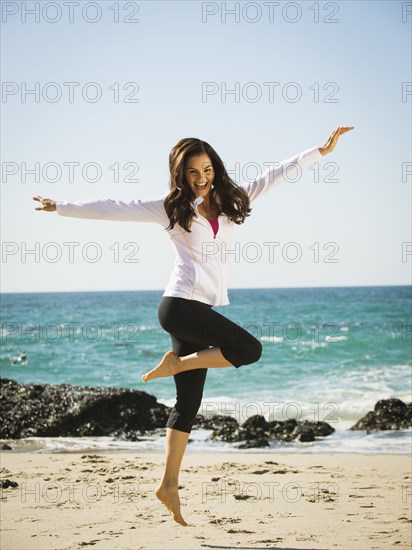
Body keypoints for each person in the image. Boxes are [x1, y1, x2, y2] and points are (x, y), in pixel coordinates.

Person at [33, 125, 354, 525]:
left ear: (214, 168)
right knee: (249, 350)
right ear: (180, 175)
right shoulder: (171, 208)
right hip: (179, 306)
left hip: (194, 311)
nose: (201, 179)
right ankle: (177, 364)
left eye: (206, 170)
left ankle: (167, 485)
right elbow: (115, 206)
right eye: (192, 173)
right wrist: (60, 206)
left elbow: (275, 174)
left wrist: (319, 152)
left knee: (187, 405)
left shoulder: (230, 200)